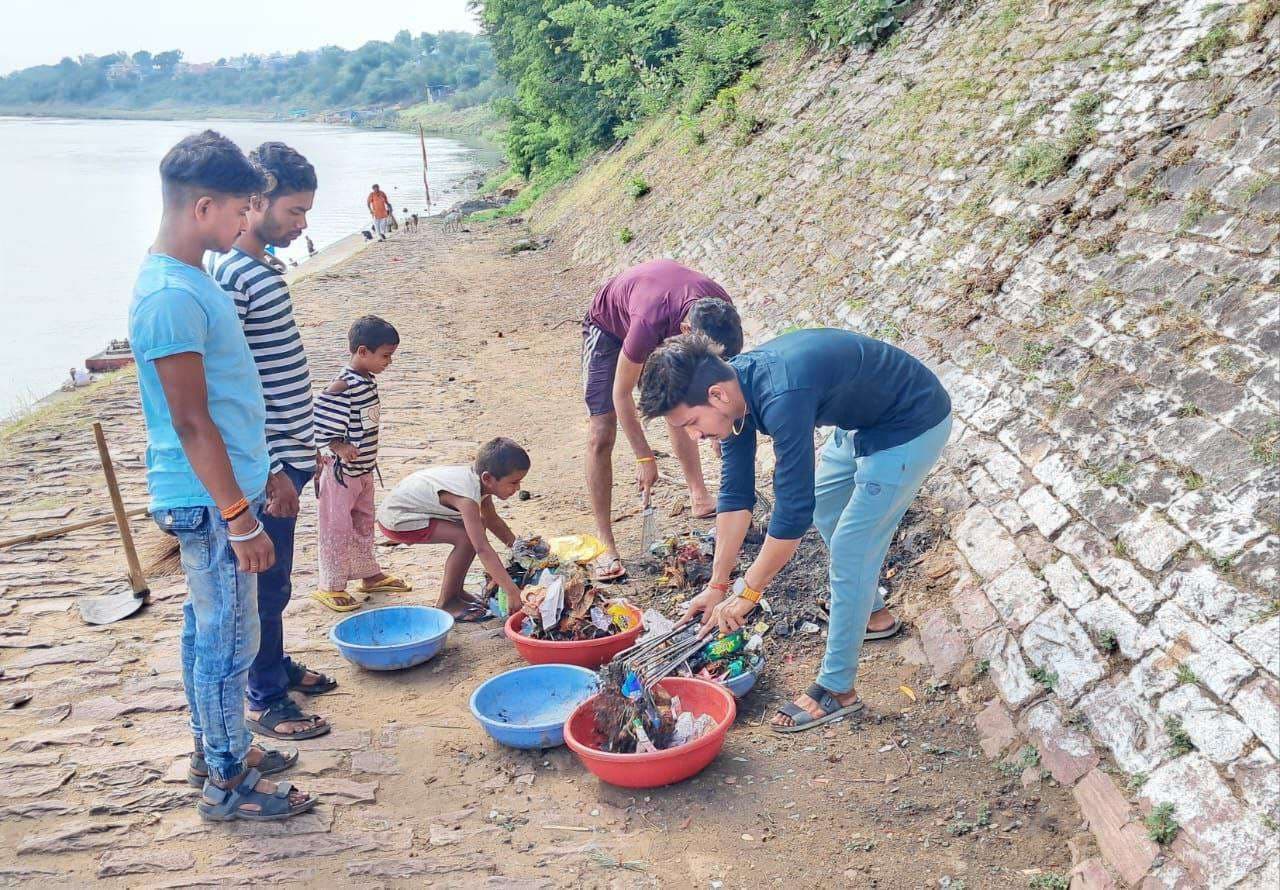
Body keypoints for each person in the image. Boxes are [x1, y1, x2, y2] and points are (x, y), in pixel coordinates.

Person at [129, 130, 315, 821]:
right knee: (228, 644)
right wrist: (238, 517)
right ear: (203, 206)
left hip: (221, 490)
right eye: (240, 209)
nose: (246, 222)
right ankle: (229, 781)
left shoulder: (193, 280)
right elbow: (191, 422)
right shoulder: (168, 297)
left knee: (208, 632)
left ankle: (217, 748)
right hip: (207, 501)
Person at [638, 330, 952, 734]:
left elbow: (791, 513)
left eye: (692, 423)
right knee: (827, 507)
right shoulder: (738, 396)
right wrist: (718, 585)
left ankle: (837, 689)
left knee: (852, 549)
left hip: (909, 423)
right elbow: (735, 494)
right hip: (862, 421)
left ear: (716, 396)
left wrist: (748, 592)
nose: (695, 436)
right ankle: (872, 614)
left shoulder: (782, 397)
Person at [207, 141, 334, 744]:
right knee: (266, 582)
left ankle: (274, 665)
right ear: (256, 200)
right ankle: (265, 696)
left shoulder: (260, 268)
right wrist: (276, 468)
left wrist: (302, 445)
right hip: (267, 465)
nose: (302, 224)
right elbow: (232, 383)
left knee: (278, 579)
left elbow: (274, 370)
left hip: (287, 453)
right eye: (294, 212)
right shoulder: (232, 274)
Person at [581, 259, 743, 583]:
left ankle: (700, 495)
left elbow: (722, 382)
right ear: (686, 333)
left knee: (679, 403)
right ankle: (604, 541)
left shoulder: (719, 312)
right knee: (602, 432)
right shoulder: (648, 320)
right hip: (610, 326)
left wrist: (718, 432)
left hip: (665, 322)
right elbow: (622, 393)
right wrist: (644, 457)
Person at [311, 314, 411, 611]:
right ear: (362, 352)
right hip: (342, 475)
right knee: (337, 527)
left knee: (363, 524)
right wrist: (338, 445)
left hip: (364, 471)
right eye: (385, 356)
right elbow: (320, 417)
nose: (388, 362)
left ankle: (368, 573)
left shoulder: (367, 380)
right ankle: (331, 584)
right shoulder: (344, 384)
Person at [376, 437, 530, 621]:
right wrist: (511, 590)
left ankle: (456, 592)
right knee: (466, 539)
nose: (518, 487)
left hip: (409, 509)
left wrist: (519, 549)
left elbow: (492, 520)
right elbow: (482, 548)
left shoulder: (480, 486)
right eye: (513, 482)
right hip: (398, 518)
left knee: (475, 528)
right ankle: (447, 602)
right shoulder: (467, 496)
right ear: (488, 478)